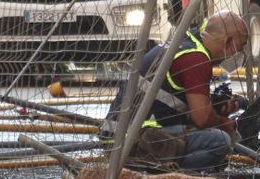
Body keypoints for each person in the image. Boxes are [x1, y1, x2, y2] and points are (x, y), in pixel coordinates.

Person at [102, 10, 249, 170]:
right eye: (239, 48)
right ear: (227, 41)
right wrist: (223, 123)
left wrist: (216, 106)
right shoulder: (196, 60)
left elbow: (175, 100)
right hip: (133, 143)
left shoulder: (187, 43)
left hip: (120, 136)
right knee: (220, 141)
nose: (238, 55)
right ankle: (164, 176)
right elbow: (202, 118)